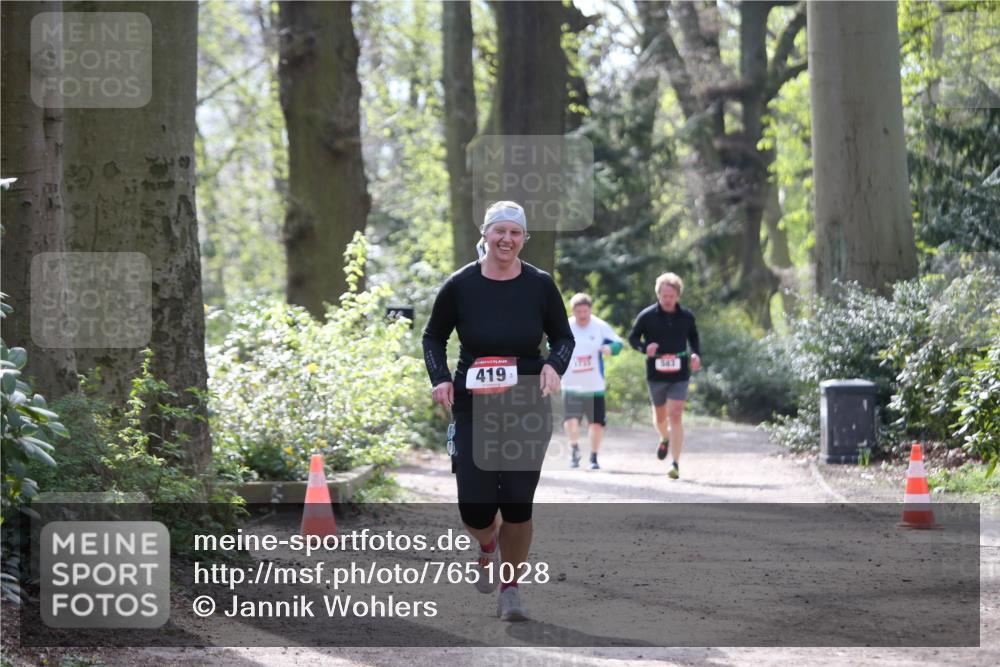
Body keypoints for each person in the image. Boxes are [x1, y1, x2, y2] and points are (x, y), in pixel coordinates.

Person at [422, 200, 574, 622]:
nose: (507, 239)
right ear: (486, 234)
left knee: (519, 502)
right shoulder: (461, 285)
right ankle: (486, 545)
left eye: (515, 233)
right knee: (475, 506)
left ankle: (511, 589)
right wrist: (440, 378)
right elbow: (433, 336)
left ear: (524, 239)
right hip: (474, 405)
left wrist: (552, 365)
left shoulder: (540, 285)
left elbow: (563, 338)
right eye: (499, 231)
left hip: (527, 403)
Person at [627, 273, 701, 479]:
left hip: (679, 373)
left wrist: (695, 354)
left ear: (678, 295)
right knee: (660, 417)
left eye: (671, 295)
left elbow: (694, 337)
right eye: (664, 295)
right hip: (656, 373)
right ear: (658, 294)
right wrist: (644, 348)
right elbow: (632, 338)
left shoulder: (686, 316)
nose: (667, 299)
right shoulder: (647, 316)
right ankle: (664, 437)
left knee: (675, 414)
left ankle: (675, 463)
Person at [561, 293, 623, 470]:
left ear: (590, 310)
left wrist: (610, 348)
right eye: (578, 311)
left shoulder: (599, 326)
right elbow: (553, 343)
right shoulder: (566, 325)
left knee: (595, 423)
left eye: (585, 311)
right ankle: (574, 450)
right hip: (571, 384)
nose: (582, 315)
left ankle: (594, 457)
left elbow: (618, 343)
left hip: (595, 385)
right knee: (571, 421)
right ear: (573, 311)